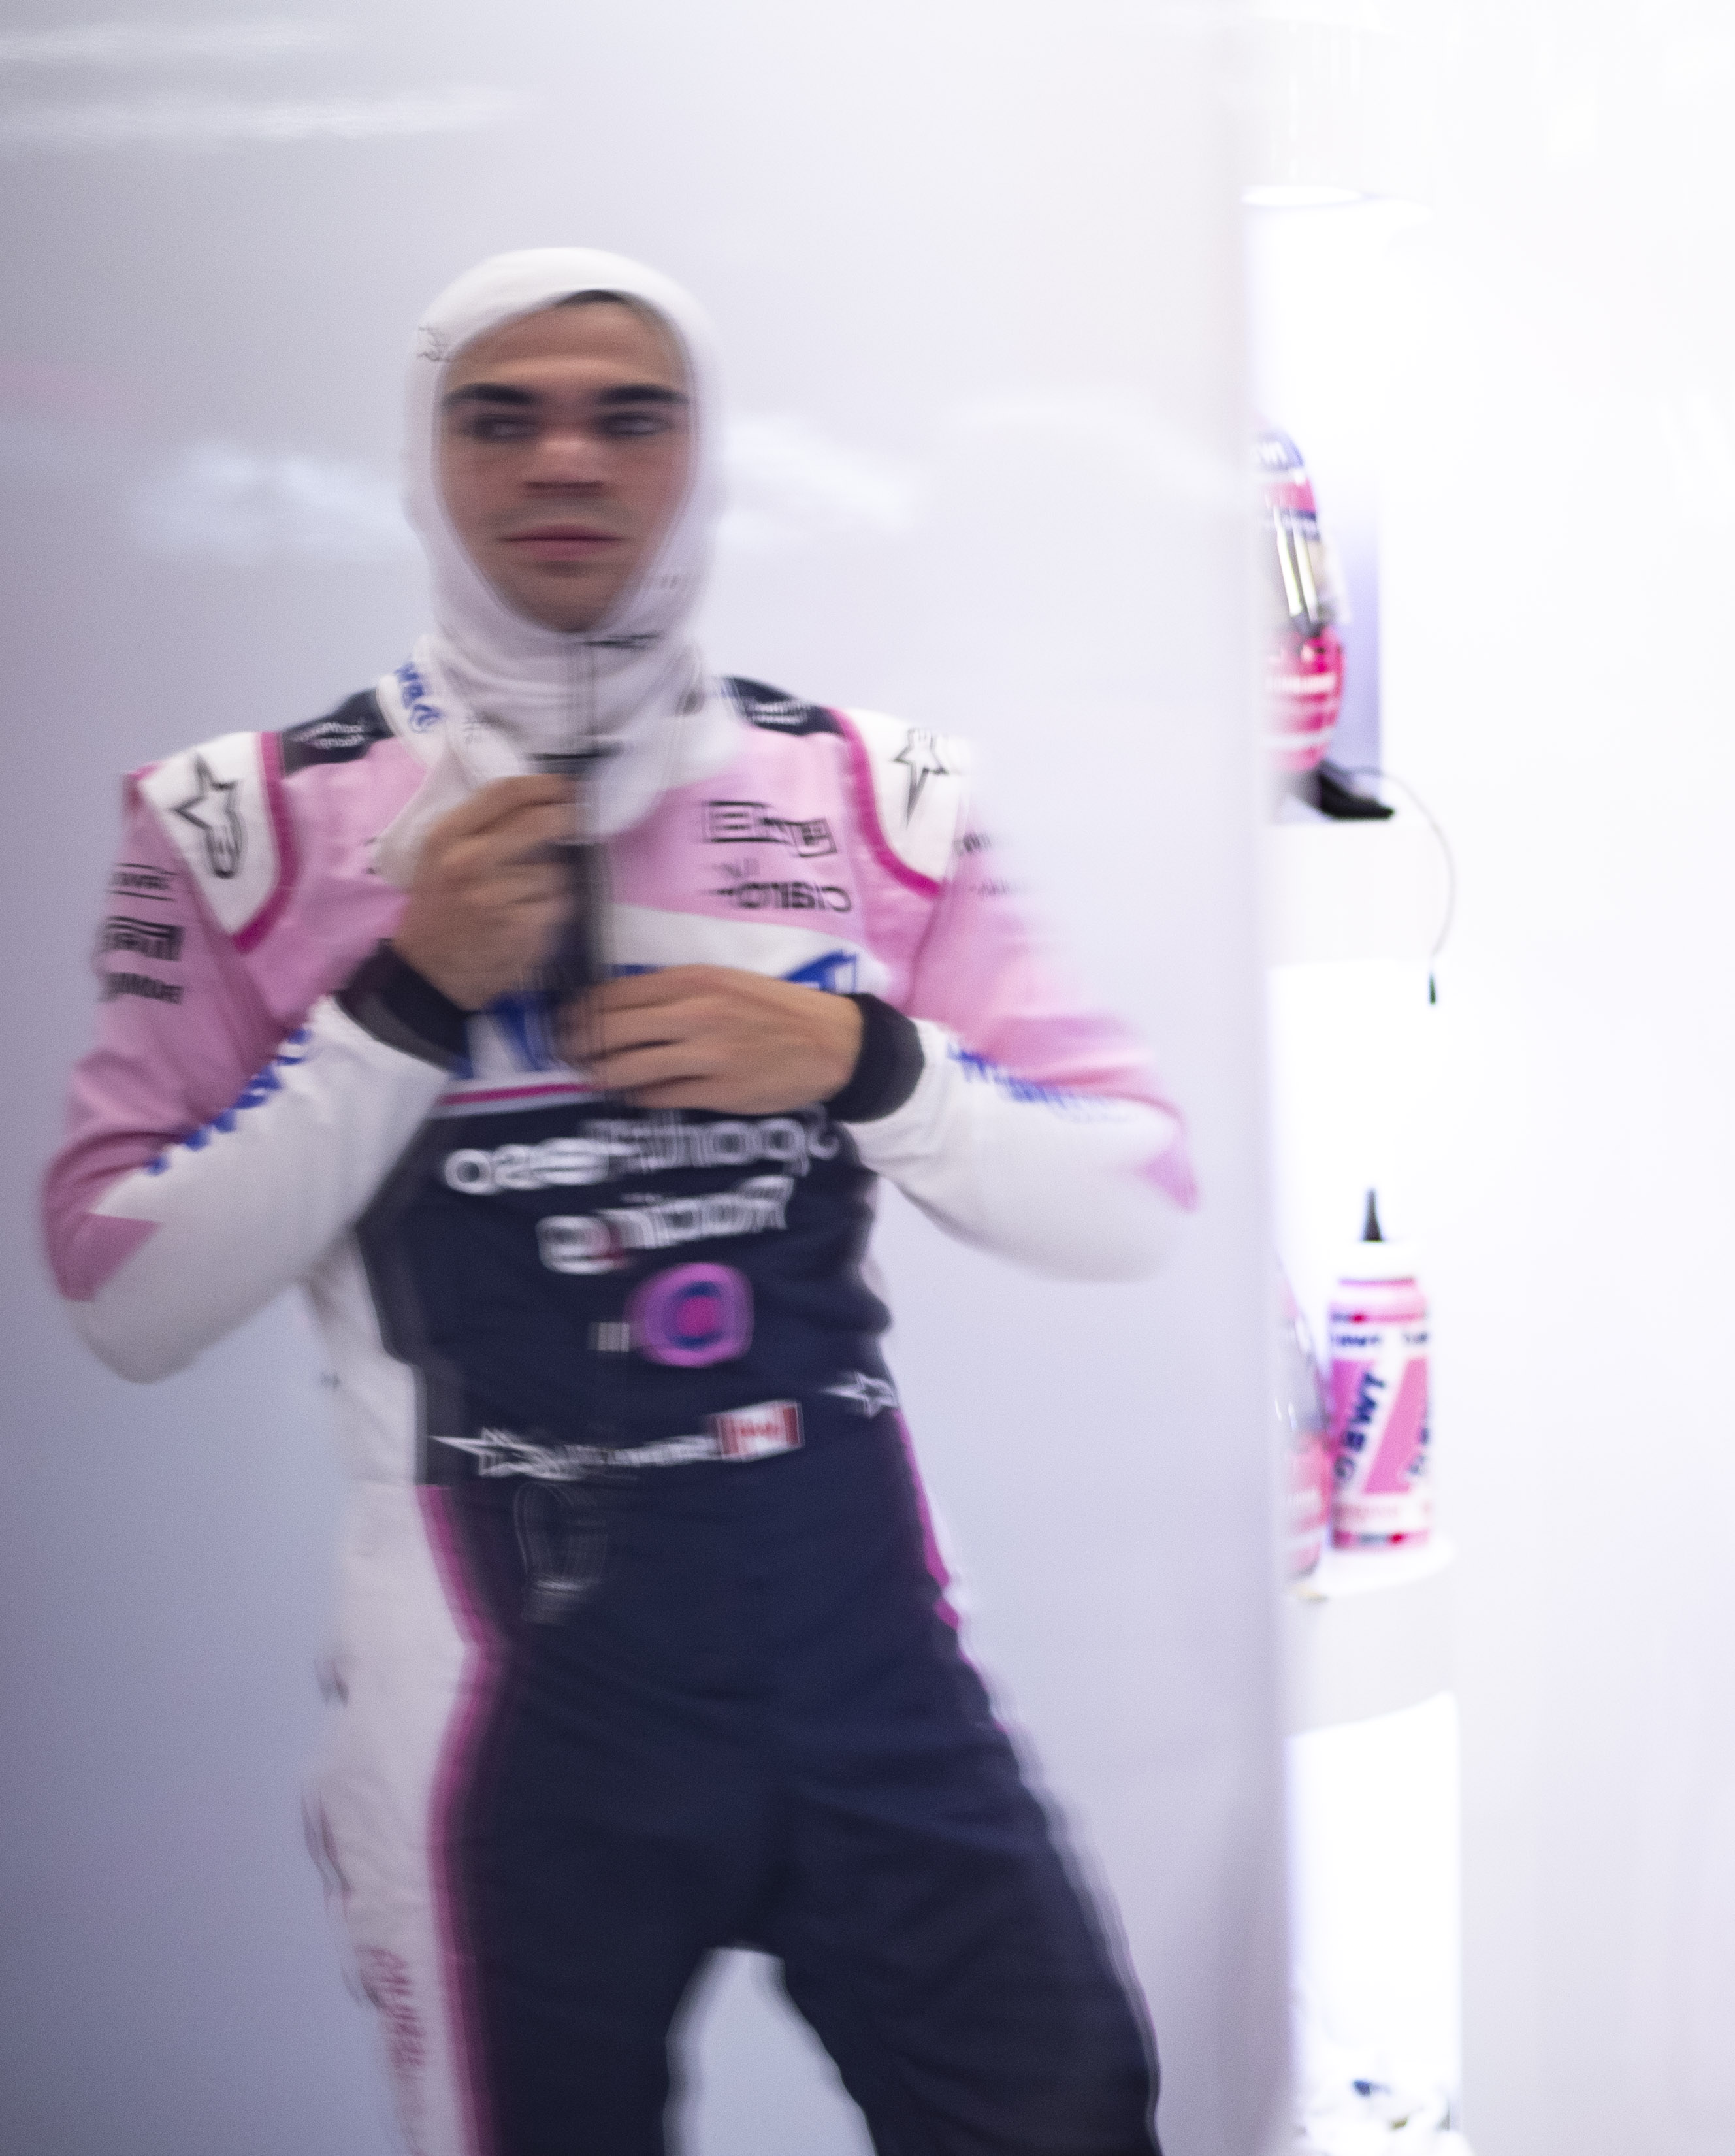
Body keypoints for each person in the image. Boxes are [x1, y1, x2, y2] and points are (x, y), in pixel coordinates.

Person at [42, 249, 1194, 2156]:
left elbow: (1136, 1190)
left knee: (1070, 2110)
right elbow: (118, 1290)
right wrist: (400, 1005)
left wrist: (863, 1061)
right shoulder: (242, 822)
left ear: (701, 457)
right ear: (427, 464)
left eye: (627, 418)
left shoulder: (872, 790)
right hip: (503, 1694)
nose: (565, 459)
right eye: (501, 418)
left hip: (861, 1640)